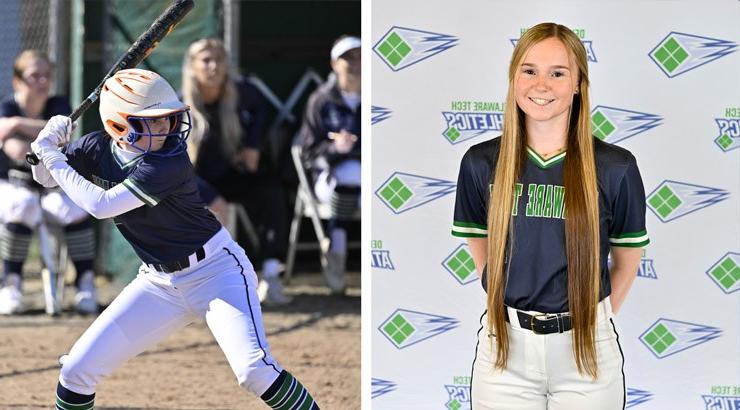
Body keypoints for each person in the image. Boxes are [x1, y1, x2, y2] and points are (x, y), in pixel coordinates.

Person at [30, 68, 319, 409]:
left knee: (253, 370)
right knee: (77, 370)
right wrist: (46, 147)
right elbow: (48, 179)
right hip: (158, 282)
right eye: (152, 121)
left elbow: (101, 205)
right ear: (118, 126)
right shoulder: (96, 147)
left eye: (167, 118)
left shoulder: (169, 160)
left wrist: (52, 155)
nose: (165, 128)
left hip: (216, 272)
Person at [451, 23, 649, 409]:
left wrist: (589, 318)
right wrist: (503, 291)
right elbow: (479, 239)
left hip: (587, 351)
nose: (541, 85)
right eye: (529, 70)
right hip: (505, 348)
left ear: (578, 84)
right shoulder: (481, 162)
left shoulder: (614, 167)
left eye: (557, 73)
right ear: (513, 78)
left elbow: (626, 260)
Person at [181, 38, 292, 305]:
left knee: (271, 191)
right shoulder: (178, 104)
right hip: (193, 181)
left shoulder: (243, 92)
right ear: (193, 66)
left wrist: (253, 146)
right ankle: (202, 284)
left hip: (230, 174)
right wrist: (208, 195)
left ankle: (270, 273)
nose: (213, 66)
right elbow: (173, 166)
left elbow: (261, 111)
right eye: (206, 60)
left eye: (219, 59)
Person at [0, 49, 97, 315]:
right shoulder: (7, 105)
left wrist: (17, 124)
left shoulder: (58, 104)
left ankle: (85, 283)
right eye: (34, 76)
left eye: (46, 75)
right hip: (11, 184)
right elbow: (16, 152)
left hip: (50, 184)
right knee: (22, 205)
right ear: (18, 81)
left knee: (75, 209)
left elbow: (63, 133)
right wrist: (43, 134)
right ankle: (11, 284)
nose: (42, 81)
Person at [298, 35, 361, 294]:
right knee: (347, 176)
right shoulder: (321, 100)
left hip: (371, 178)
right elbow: (307, 151)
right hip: (330, 175)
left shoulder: (380, 96)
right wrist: (336, 148)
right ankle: (336, 257)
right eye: (348, 58)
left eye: (359, 56)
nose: (356, 63)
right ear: (335, 64)